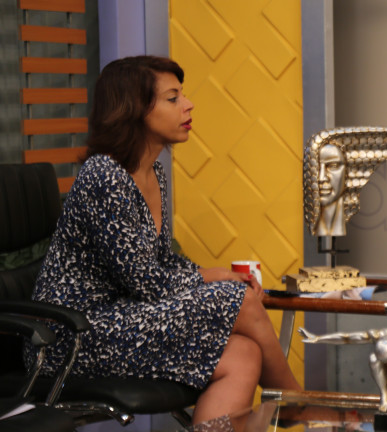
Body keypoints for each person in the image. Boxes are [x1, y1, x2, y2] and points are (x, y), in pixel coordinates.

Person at [27, 55, 301, 426]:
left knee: (243, 354)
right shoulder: (103, 175)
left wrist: (211, 274)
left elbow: (162, 262)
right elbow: (145, 282)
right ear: (134, 109)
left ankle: (292, 405)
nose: (188, 105)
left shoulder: (153, 171)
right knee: (238, 299)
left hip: (125, 319)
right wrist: (211, 277)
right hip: (73, 335)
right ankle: (295, 405)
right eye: (173, 98)